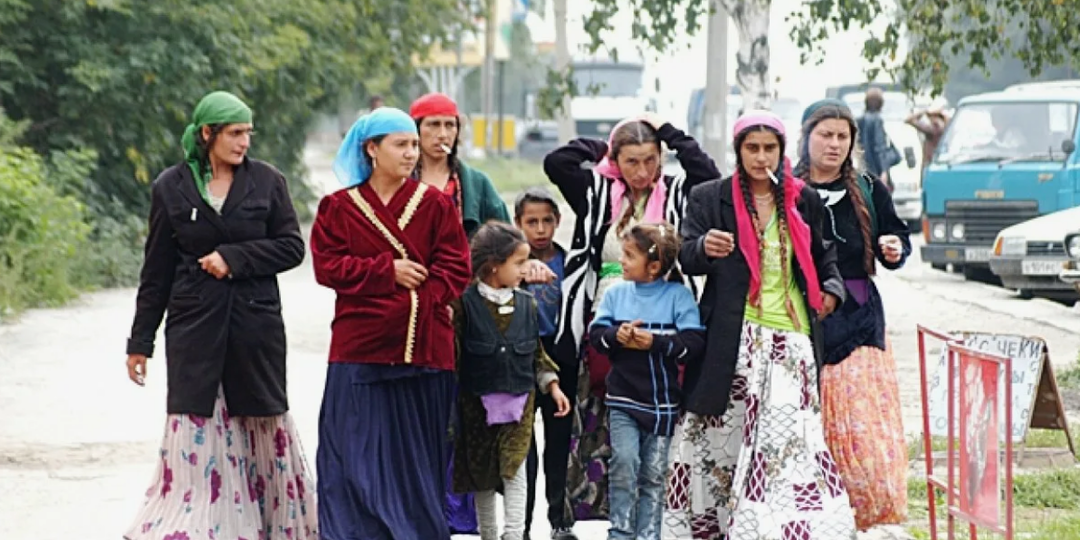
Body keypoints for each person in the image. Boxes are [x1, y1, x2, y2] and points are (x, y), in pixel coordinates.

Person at [123, 90, 317, 540]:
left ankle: (270, 524)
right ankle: (198, 523)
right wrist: (140, 342)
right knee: (196, 419)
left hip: (255, 324)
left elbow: (291, 247)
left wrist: (233, 257)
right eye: (234, 133)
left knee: (260, 417)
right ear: (207, 133)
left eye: (248, 133)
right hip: (194, 323)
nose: (244, 142)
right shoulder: (170, 186)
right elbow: (156, 270)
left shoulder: (267, 182)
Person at [674, 110, 855, 540]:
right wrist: (704, 247)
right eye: (751, 148)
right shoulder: (708, 197)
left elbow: (825, 257)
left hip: (791, 342)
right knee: (724, 443)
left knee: (787, 444)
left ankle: (778, 528)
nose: (761, 158)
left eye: (769, 148)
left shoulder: (802, 199)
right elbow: (684, 254)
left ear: (781, 150)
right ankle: (717, 527)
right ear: (738, 152)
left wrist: (830, 291)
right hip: (732, 340)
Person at [542, 112, 720, 525]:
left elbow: (708, 173)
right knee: (603, 418)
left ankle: (654, 518)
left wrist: (670, 133)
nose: (642, 172)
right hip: (603, 319)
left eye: (650, 160)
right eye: (631, 161)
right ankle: (596, 516)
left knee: (658, 420)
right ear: (616, 161)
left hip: (663, 323)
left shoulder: (676, 193)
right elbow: (557, 163)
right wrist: (602, 145)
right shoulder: (597, 193)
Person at [310, 107, 472, 540]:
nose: (410, 153)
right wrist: (388, 272)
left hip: (425, 352)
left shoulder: (436, 206)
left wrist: (417, 302)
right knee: (352, 460)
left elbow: (455, 268)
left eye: (413, 145)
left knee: (417, 462)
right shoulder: (337, 208)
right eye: (401, 144)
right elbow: (327, 267)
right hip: (358, 353)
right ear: (371, 149)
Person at [795, 99, 911, 531]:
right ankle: (812, 507)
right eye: (825, 134)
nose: (834, 144)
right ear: (806, 137)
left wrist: (894, 248)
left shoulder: (867, 188)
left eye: (843, 136)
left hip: (859, 318)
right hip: (802, 318)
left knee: (861, 425)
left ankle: (863, 511)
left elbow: (895, 233)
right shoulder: (785, 188)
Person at [453, 221, 572, 540]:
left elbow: (537, 354)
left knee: (516, 473)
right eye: (518, 263)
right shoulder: (465, 304)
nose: (525, 269)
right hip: (477, 410)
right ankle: (490, 534)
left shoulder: (527, 304)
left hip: (519, 409)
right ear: (493, 266)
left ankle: (514, 534)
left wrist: (552, 385)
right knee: (484, 478)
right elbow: (454, 356)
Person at [588, 223, 704, 540]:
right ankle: (621, 533)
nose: (621, 261)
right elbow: (596, 338)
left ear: (653, 267)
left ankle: (649, 534)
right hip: (623, 401)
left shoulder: (678, 297)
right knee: (624, 464)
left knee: (654, 474)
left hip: (664, 405)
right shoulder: (614, 295)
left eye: (629, 255)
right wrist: (618, 335)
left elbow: (693, 344)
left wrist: (656, 342)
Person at [513, 187, 579, 540]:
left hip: (562, 360)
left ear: (558, 222)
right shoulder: (508, 268)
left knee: (559, 444)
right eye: (531, 222)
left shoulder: (571, 265)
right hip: (521, 361)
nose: (540, 229)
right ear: (517, 224)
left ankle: (560, 521)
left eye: (546, 221)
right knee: (523, 449)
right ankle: (519, 525)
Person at [410, 92, 511, 237]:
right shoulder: (400, 179)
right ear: (416, 129)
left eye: (450, 125)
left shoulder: (478, 183)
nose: (443, 134)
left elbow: (507, 240)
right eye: (434, 124)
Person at [856, 88, 899, 190]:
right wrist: (884, 170)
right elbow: (879, 147)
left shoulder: (860, 120)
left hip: (864, 167)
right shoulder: (877, 120)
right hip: (876, 169)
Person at [905, 101, 949, 181]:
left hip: (930, 162)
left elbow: (909, 120)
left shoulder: (933, 129)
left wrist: (924, 111)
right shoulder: (947, 127)